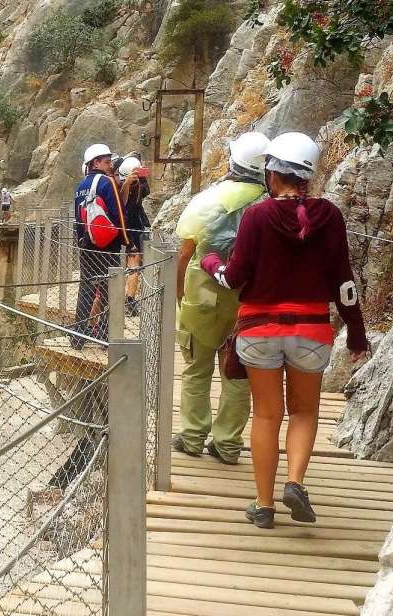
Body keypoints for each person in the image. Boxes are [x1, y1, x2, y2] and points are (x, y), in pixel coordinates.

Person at [200, 132, 369, 529]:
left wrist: (211, 264)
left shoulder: (257, 217)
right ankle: (294, 481)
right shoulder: (329, 216)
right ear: (308, 176)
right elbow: (343, 283)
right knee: (305, 411)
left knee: (266, 416)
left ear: (272, 172)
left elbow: (236, 276)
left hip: (259, 330)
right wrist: (358, 334)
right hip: (311, 331)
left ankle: (263, 505)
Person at [171, 132, 270, 466]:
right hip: (248, 303)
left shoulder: (209, 200)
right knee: (236, 374)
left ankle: (193, 436)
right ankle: (228, 444)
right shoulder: (269, 205)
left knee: (197, 370)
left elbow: (185, 253)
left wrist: (180, 293)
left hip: (204, 298)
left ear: (234, 161)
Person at [70, 143, 129, 347]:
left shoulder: (80, 187)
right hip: (108, 246)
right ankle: (105, 335)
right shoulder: (106, 182)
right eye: (106, 161)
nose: (110, 165)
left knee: (86, 288)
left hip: (86, 245)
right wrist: (127, 242)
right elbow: (118, 214)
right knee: (108, 288)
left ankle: (77, 336)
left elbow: (78, 220)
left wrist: (80, 243)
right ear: (96, 162)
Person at [114, 155, 151, 316]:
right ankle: (129, 298)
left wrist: (129, 182)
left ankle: (128, 297)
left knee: (134, 262)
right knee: (134, 261)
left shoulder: (136, 186)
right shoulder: (130, 186)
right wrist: (127, 183)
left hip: (131, 225)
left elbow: (125, 202)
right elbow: (124, 204)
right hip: (131, 226)